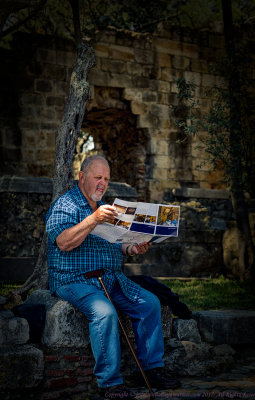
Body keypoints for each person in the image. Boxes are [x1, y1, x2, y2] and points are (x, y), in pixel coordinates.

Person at [46, 155, 180, 399]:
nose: (102, 183)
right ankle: (111, 383)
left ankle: (151, 370)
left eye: (106, 179)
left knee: (150, 303)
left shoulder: (108, 208)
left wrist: (133, 247)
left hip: (110, 278)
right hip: (74, 279)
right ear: (82, 177)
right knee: (104, 312)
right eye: (98, 177)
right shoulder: (65, 205)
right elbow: (64, 242)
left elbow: (116, 244)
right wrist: (92, 219)